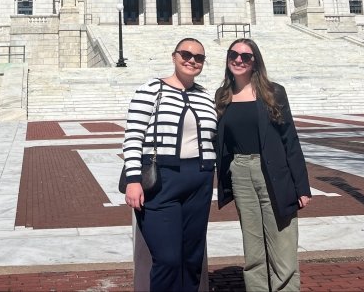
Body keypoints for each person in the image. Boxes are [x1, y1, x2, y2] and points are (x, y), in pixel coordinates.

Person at [214, 38, 311, 292]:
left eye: (246, 56)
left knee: (282, 243)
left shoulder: (273, 92)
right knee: (253, 245)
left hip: (273, 171)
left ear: (255, 61)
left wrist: (302, 186)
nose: (238, 60)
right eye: (233, 54)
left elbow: (290, 138)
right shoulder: (222, 95)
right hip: (240, 172)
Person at [123, 38, 218, 292]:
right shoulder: (151, 89)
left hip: (200, 179)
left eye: (198, 57)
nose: (192, 60)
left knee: (191, 257)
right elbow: (133, 136)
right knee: (167, 258)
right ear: (174, 56)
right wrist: (133, 180)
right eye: (186, 54)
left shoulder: (205, 96)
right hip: (161, 179)